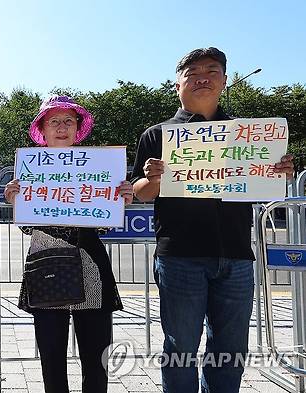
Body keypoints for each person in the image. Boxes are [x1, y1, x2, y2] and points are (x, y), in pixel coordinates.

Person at [130, 47, 294, 393]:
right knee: (180, 349)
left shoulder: (249, 135)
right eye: (193, 72)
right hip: (179, 256)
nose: (202, 77)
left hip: (236, 255)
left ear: (224, 81)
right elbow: (140, 193)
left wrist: (278, 172)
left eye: (212, 70)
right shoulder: (157, 134)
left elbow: (264, 188)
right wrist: (154, 179)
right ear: (177, 84)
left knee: (232, 350)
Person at [4, 95, 133, 393]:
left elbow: (103, 221)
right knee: (51, 356)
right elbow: (26, 225)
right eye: (54, 122)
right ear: (43, 130)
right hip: (45, 265)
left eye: (68, 122)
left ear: (77, 129)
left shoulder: (100, 168)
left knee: (96, 357)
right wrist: (15, 201)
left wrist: (121, 197)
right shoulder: (28, 170)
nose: (61, 128)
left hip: (91, 266)